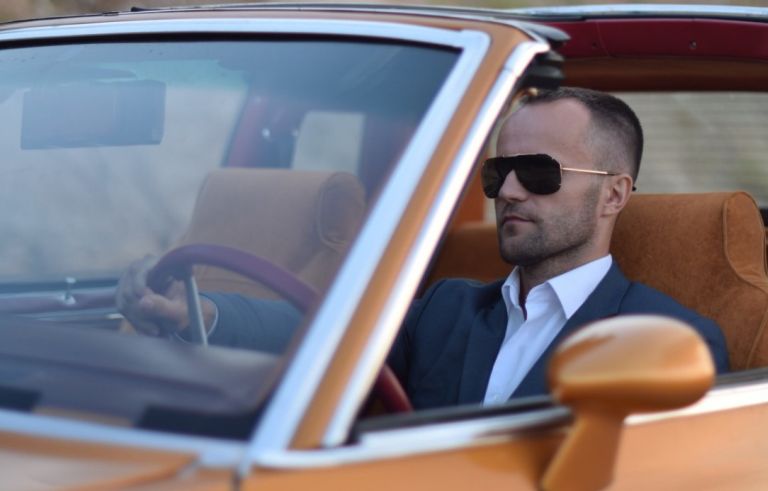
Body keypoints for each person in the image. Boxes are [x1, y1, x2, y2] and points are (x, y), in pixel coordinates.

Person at [117, 87, 729, 410]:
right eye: (497, 173)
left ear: (614, 196)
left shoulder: (673, 340)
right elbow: (328, 332)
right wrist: (201, 313)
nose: (509, 190)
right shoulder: (446, 308)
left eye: (539, 172)